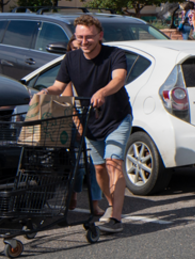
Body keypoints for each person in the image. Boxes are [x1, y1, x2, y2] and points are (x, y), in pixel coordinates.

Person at [47, 15, 131, 235]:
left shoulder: (114, 54)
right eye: (80, 37)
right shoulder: (70, 59)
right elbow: (58, 86)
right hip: (91, 122)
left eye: (89, 37)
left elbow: (119, 79)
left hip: (116, 118)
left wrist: (102, 91)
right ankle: (113, 203)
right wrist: (45, 92)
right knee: (99, 168)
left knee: (113, 162)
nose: (84, 41)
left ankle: (116, 218)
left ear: (100, 36)